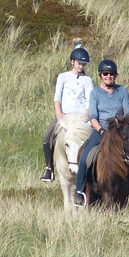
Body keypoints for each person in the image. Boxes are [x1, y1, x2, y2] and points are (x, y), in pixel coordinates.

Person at [73, 59, 129, 207]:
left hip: (120, 132)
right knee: (85, 157)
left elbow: (128, 113)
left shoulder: (122, 91)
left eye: (111, 74)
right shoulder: (95, 93)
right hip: (101, 130)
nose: (108, 76)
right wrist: (101, 130)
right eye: (105, 73)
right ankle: (79, 192)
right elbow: (93, 117)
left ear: (115, 75)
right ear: (101, 75)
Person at [40, 47, 93, 182]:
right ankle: (49, 168)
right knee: (47, 137)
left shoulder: (87, 80)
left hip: (81, 117)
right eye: (79, 63)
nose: (81, 66)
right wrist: (59, 113)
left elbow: (89, 100)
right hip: (65, 116)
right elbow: (57, 96)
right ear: (72, 62)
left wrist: (86, 115)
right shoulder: (63, 77)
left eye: (83, 64)